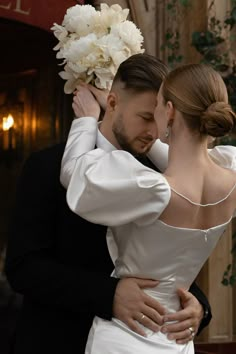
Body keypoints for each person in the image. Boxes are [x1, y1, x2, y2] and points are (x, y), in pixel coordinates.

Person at [4, 54, 211, 354]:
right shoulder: (46, 166)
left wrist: (198, 306)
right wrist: (108, 294)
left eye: (160, 120)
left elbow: (170, 257)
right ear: (112, 103)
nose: (154, 132)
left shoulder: (162, 174)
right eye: (144, 117)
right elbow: (22, 267)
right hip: (58, 342)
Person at [60, 61, 236, 354]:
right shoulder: (230, 176)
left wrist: (87, 119)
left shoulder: (151, 189)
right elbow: (188, 163)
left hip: (123, 338)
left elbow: (73, 173)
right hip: (176, 340)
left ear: (168, 111)